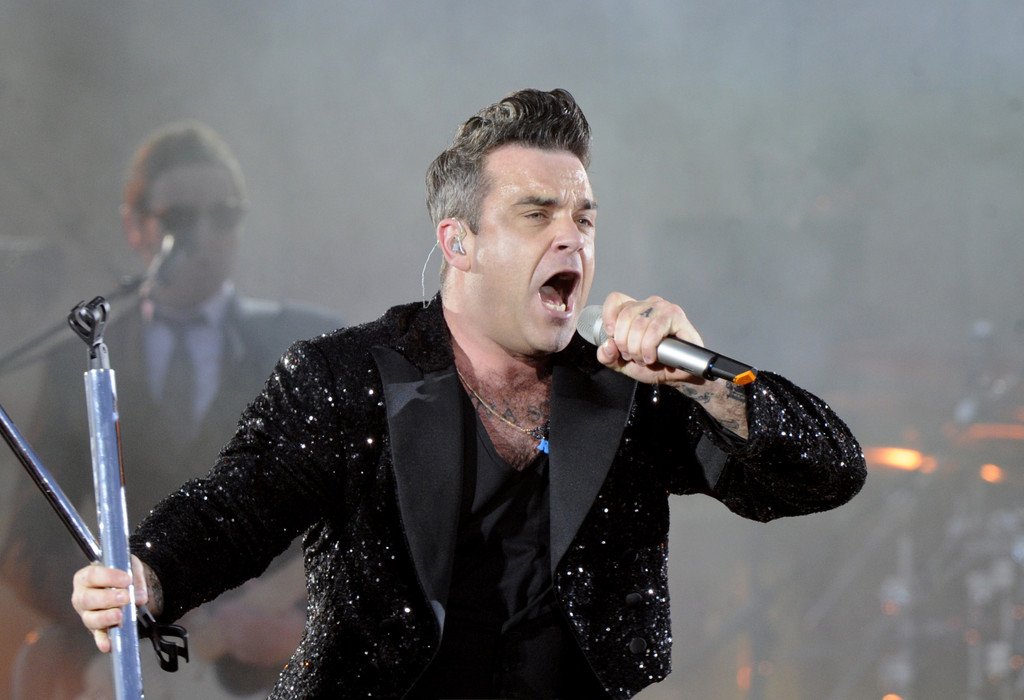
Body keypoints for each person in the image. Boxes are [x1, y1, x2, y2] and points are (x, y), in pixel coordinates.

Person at [70, 89, 866, 699]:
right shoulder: (350, 377)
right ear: (460, 242)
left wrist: (704, 381)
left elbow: (829, 471)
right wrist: (148, 573)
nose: (571, 237)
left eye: (584, 219)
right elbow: (238, 506)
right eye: (536, 214)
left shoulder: (626, 387)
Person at [0, 121, 340, 699]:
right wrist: (98, 599)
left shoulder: (305, 348)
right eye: (180, 218)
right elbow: (29, 542)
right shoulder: (80, 359)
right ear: (135, 228)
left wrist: (308, 625)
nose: (204, 235)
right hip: (127, 663)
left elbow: (367, 515)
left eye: (224, 216)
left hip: (266, 671)